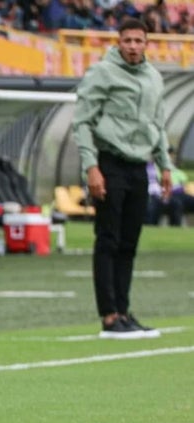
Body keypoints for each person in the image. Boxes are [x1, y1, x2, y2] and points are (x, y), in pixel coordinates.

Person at [72, 18, 171, 339]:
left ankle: (124, 312)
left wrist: (165, 165)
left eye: (138, 41)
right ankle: (109, 316)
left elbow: (158, 125)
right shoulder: (102, 73)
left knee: (129, 243)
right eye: (127, 40)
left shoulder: (154, 77)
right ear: (118, 42)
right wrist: (91, 167)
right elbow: (82, 122)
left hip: (138, 167)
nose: (132, 46)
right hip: (109, 163)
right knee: (108, 240)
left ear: (146, 43)